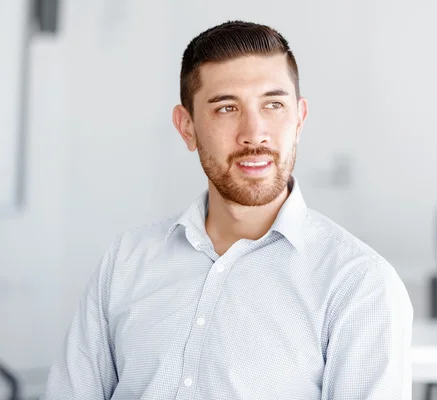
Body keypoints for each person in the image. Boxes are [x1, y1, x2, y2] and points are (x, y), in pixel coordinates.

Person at [42, 21, 412, 399]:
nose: (254, 133)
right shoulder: (126, 261)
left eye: (273, 105)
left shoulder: (359, 284)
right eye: (226, 108)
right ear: (187, 128)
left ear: (299, 119)